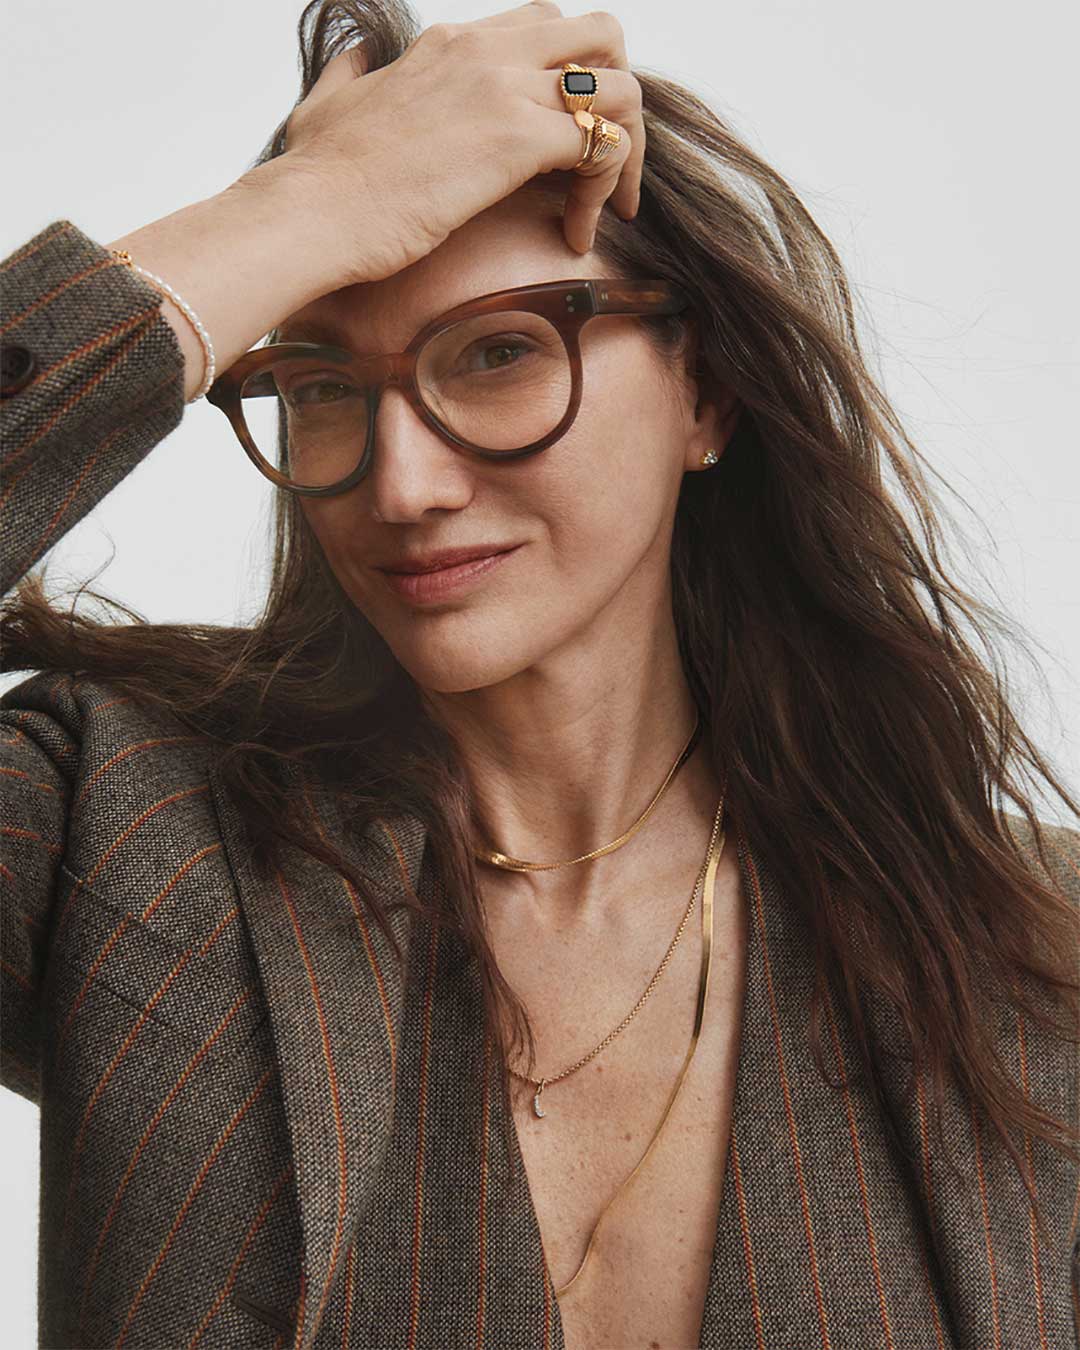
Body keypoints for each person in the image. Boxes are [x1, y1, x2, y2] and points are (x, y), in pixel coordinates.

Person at [2, 2, 1078, 1347]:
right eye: (322, 382)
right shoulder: (111, 836)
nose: (403, 483)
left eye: (503, 350)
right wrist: (291, 220)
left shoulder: (1029, 952)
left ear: (710, 394)